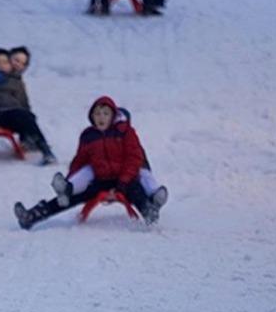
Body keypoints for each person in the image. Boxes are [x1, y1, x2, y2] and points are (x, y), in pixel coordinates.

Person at [13, 95, 168, 229]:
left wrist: (123, 181)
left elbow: (134, 158)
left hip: (126, 179)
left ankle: (150, 213)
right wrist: (70, 182)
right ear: (92, 116)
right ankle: (32, 216)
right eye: (97, 114)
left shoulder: (125, 132)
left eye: (106, 114)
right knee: (70, 198)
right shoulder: (88, 136)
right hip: (101, 180)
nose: (101, 117)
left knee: (136, 191)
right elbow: (80, 161)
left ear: (113, 116)